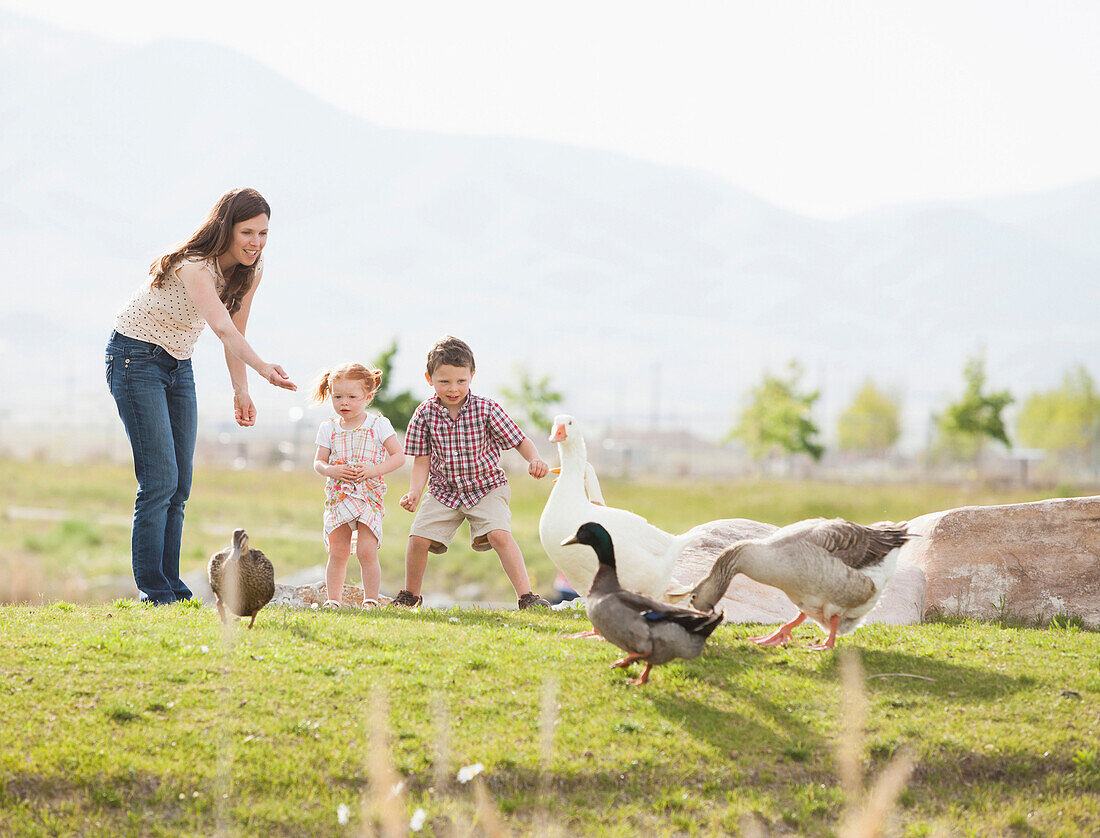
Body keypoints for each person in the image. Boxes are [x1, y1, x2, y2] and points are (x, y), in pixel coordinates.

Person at [106, 188, 297, 605]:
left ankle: (172, 586)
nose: (256, 242)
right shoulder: (195, 266)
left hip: (178, 364)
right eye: (248, 232)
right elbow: (222, 330)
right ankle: (154, 592)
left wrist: (241, 388)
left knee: (181, 485)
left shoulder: (251, 270)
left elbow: (237, 330)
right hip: (134, 358)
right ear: (224, 229)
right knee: (159, 480)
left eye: (264, 233)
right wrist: (265, 370)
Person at [394, 336, 552, 610]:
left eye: (461, 381)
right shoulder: (424, 414)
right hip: (444, 491)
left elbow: (519, 440)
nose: (453, 389)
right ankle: (410, 597)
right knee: (417, 538)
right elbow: (422, 462)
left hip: (486, 487)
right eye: (444, 381)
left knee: (499, 535)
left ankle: (527, 597)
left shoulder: (486, 409)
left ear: (472, 376)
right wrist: (415, 493)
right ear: (429, 378)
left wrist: (534, 459)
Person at [312, 363, 405, 608]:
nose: (345, 402)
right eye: (338, 396)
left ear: (368, 397)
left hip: (368, 496)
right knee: (337, 551)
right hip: (339, 497)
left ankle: (371, 600)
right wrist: (332, 470)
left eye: (352, 397)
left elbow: (398, 457)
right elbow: (319, 463)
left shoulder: (377, 425)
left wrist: (374, 470)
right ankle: (333, 600)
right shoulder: (329, 428)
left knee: (367, 551)